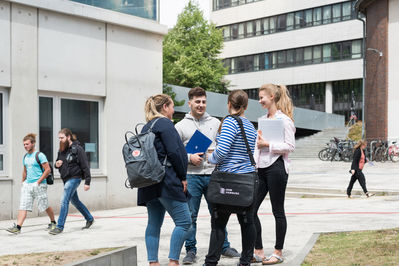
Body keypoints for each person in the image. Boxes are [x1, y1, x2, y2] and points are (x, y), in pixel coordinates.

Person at [175, 87, 240, 264]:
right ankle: (190, 250)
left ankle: (224, 246)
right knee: (191, 216)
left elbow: (224, 146)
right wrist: (189, 157)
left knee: (219, 214)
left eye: (203, 101)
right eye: (197, 102)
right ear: (190, 103)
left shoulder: (216, 122)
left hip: (213, 175)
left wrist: (216, 153)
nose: (201, 105)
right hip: (192, 176)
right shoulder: (180, 126)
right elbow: (174, 153)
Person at [204, 89, 257, 266]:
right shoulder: (250, 125)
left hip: (228, 179)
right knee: (247, 223)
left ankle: (211, 262)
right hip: (247, 180)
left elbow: (221, 153)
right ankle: (245, 262)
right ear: (246, 106)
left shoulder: (229, 122)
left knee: (218, 224)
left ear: (229, 104)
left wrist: (208, 157)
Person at [138, 94, 192, 266]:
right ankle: (173, 261)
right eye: (172, 106)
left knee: (153, 224)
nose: (173, 110)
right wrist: (183, 176)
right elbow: (175, 152)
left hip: (148, 182)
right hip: (166, 180)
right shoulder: (165, 124)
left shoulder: (146, 127)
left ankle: (153, 262)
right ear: (165, 107)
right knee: (184, 222)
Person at [253, 84, 295, 265]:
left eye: (262, 97)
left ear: (272, 97)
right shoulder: (262, 119)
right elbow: (258, 146)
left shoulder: (284, 120)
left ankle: (277, 252)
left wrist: (268, 145)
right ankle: (259, 251)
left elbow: (290, 146)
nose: (260, 100)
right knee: (250, 209)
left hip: (276, 168)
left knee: (277, 210)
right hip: (260, 168)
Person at [6, 133, 56, 234]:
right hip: (28, 185)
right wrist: (23, 182)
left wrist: (38, 182)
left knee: (44, 205)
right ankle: (18, 227)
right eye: (24, 144)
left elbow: (47, 170)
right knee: (23, 205)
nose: (25, 146)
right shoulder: (25, 156)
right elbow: (25, 171)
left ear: (33, 143)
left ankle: (53, 222)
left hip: (40, 185)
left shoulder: (40, 155)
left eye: (27, 144)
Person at [49, 128, 94, 235]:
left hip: (75, 178)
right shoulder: (61, 149)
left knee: (64, 200)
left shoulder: (78, 149)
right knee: (75, 201)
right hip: (65, 178)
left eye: (62, 138)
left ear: (68, 137)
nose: (60, 140)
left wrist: (87, 181)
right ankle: (89, 218)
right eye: (59, 138)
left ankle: (59, 227)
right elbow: (56, 163)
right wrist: (56, 164)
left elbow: (85, 166)